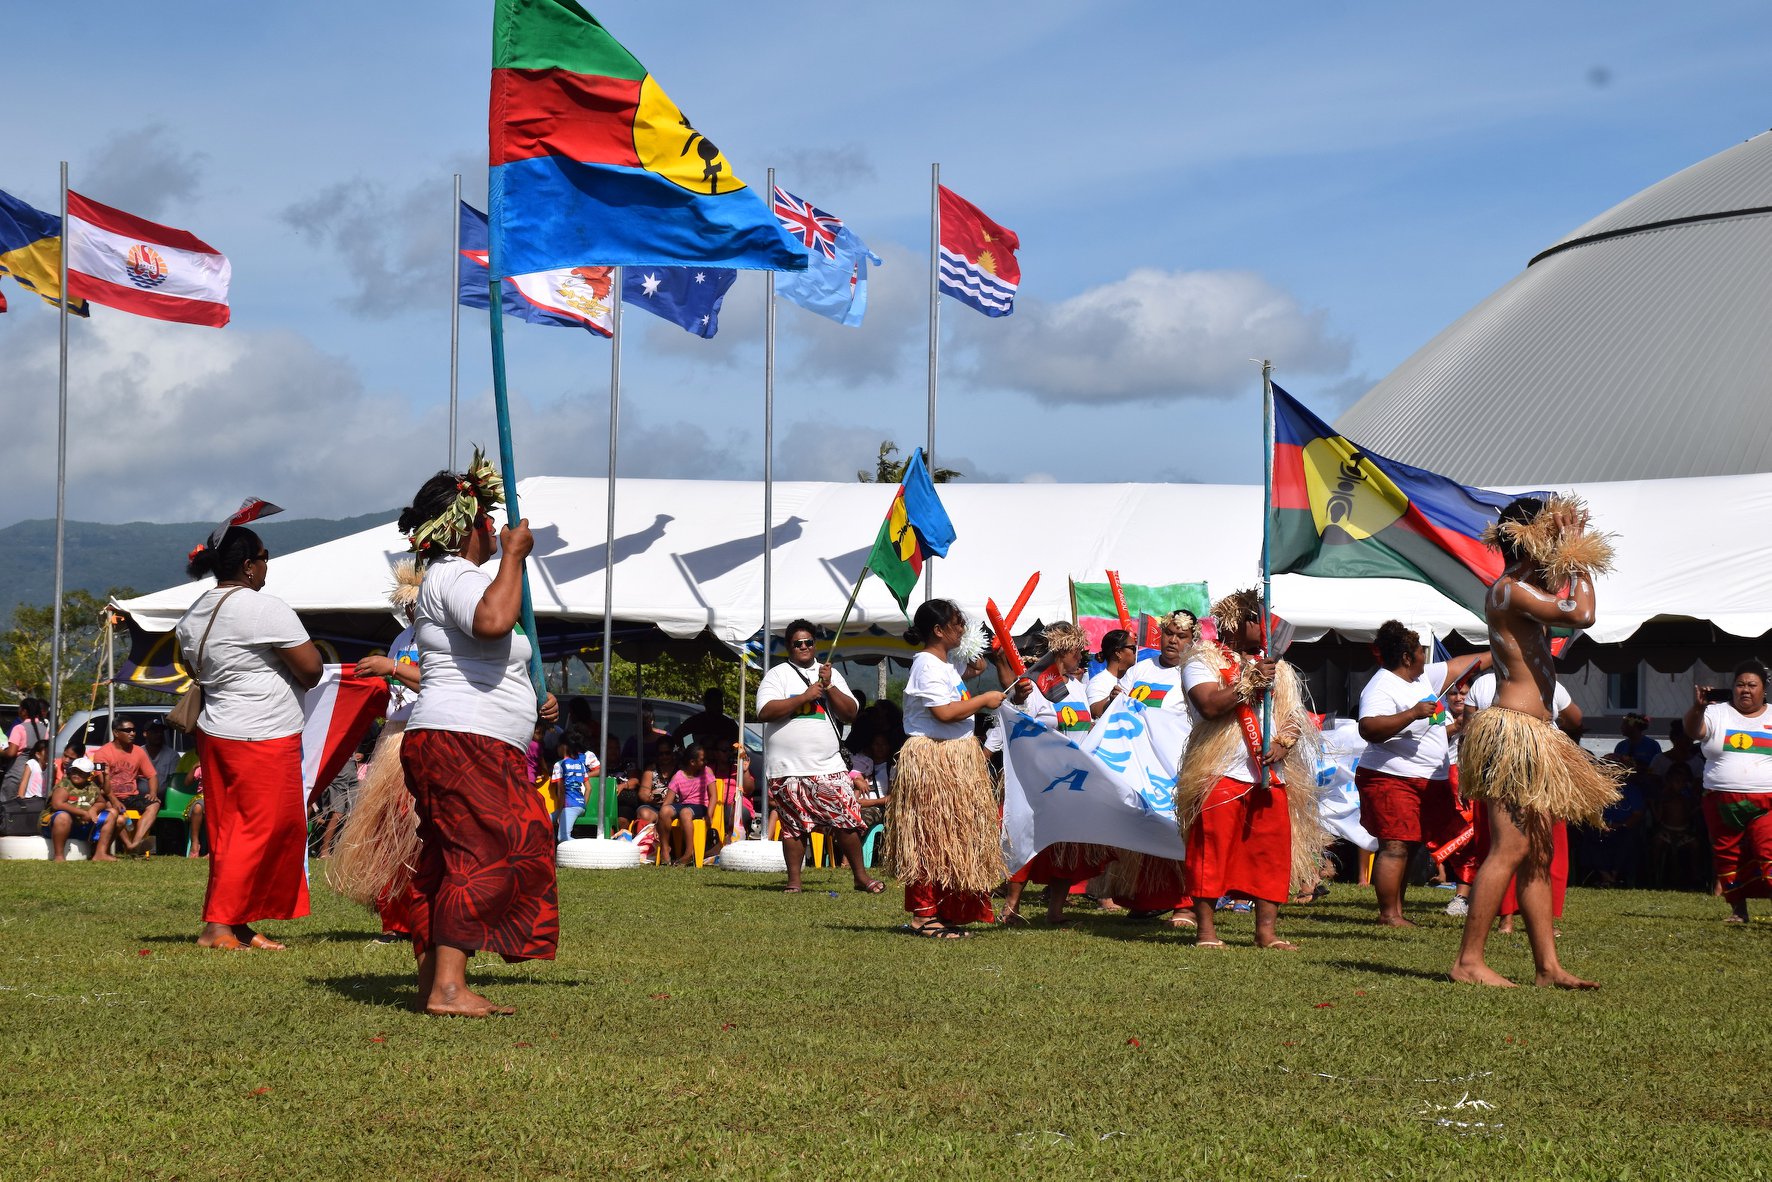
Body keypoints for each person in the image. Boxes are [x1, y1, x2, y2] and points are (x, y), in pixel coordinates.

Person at [398, 453, 561, 1016]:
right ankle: (448, 987)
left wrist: (529, 699)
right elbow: (492, 624)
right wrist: (513, 558)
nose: (496, 528)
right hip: (464, 740)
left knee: (452, 857)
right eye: (488, 519)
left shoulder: (451, 578)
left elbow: (485, 653)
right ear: (465, 526)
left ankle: (435, 980)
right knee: (498, 850)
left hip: (462, 736)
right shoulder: (457, 574)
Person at [1451, 496, 1623, 988]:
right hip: (1512, 732)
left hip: (1534, 734)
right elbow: (1582, 612)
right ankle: (1468, 961)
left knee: (1539, 852)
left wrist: (1564, 544)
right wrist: (1575, 549)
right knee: (1510, 847)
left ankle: (1547, 967)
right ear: (1529, 536)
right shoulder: (1507, 591)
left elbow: (1554, 584)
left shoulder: (1526, 585)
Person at [176, 523, 324, 950]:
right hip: (262, 734)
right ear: (247, 566)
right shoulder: (265, 608)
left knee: (230, 831)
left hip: (216, 731)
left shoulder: (196, 610)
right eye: (264, 557)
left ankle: (238, 921)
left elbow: (192, 669)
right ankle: (218, 925)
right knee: (263, 830)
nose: (266, 565)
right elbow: (312, 669)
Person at [1177, 589, 1323, 949]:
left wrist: (1283, 743)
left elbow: (1292, 717)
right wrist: (1251, 681)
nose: (1267, 625)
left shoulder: (1279, 668)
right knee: (1210, 850)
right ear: (1235, 623)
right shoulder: (1202, 660)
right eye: (1257, 618)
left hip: (1270, 774)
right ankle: (1207, 932)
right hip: (1219, 769)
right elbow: (1210, 705)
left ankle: (1266, 932)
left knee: (1269, 853)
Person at [885, 599, 1009, 938]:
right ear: (938, 631)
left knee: (953, 838)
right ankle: (924, 916)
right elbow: (943, 712)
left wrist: (974, 663)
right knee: (930, 838)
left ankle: (945, 909)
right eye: (957, 624)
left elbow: (965, 676)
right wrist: (984, 701)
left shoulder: (942, 663)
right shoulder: (926, 663)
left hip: (955, 757)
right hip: (933, 758)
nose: (962, 629)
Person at [1353, 620, 1489, 926]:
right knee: (1395, 845)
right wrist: (1412, 713)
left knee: (1410, 844)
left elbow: (1459, 665)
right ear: (1405, 657)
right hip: (1391, 777)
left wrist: (1502, 649)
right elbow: (1369, 728)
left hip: (1425, 780)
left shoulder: (1421, 678)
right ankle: (1389, 915)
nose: (1423, 657)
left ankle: (1397, 910)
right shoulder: (1381, 686)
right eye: (1419, 652)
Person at [329, 561, 425, 942]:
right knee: (389, 831)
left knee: (418, 832)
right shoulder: (402, 640)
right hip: (393, 740)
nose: (410, 611)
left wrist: (392, 669)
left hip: (423, 736)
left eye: (415, 604)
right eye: (406, 606)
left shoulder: (445, 639)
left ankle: (423, 917)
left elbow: (441, 684)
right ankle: (395, 919)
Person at [755, 619, 881, 894]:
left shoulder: (829, 674)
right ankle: (794, 882)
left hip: (827, 765)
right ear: (789, 646)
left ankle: (860, 877)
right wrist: (806, 696)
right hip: (786, 767)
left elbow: (851, 713)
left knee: (845, 818)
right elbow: (764, 711)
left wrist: (829, 686)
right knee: (793, 826)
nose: (803, 647)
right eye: (797, 643)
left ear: (815, 645)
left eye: (808, 642)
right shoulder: (777, 675)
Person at [1000, 622, 1114, 926]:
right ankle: (1011, 907)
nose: (1082, 656)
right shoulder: (1034, 684)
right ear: (1063, 650)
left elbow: (1084, 727)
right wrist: (1020, 699)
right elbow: (1018, 720)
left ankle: (1055, 910)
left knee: (1068, 847)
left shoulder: (1077, 688)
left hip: (1075, 780)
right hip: (1041, 780)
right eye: (1078, 651)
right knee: (1029, 840)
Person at [1683, 660, 1772, 923]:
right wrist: (1698, 709)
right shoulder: (1716, 712)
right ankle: (1738, 909)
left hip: (1767, 800)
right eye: (1740, 685)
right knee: (1727, 853)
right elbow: (1692, 731)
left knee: (1767, 850)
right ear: (1732, 688)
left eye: (1752, 685)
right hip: (1721, 800)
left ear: (1763, 689)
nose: (1745, 690)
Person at [39, 756, 122, 861]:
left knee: (113, 814)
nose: (76, 774)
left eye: (81, 772)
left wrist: (93, 810)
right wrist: (82, 813)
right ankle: (59, 856)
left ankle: (100, 853)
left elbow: (102, 802)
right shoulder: (65, 784)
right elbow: (57, 804)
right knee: (63, 817)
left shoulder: (91, 786)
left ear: (88, 775)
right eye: (74, 770)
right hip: (55, 825)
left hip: (82, 824)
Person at [658, 743, 717, 865]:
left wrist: (709, 815)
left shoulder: (707, 771)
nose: (705, 761)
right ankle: (665, 848)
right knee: (664, 811)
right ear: (692, 762)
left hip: (701, 806)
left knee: (685, 813)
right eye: (702, 759)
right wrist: (658, 822)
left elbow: (713, 796)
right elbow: (668, 801)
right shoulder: (678, 776)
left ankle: (689, 853)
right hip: (685, 804)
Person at [549, 726, 602, 842]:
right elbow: (589, 789)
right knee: (545, 819)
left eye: (558, 745)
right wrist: (583, 804)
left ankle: (586, 847)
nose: (557, 748)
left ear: (564, 746)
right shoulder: (581, 764)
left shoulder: (559, 765)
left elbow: (561, 791)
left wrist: (560, 811)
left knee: (563, 837)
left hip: (568, 806)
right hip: (580, 806)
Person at [1087, 628, 1138, 718]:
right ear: (1118, 653)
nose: (1136, 653)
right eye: (1133, 648)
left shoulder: (1135, 679)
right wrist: (1111, 701)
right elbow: (1094, 711)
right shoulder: (1098, 682)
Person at [674, 687, 739, 753]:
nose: (718, 706)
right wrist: (694, 744)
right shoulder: (694, 723)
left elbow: (737, 745)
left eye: (719, 703)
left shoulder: (729, 725)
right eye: (714, 703)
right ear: (706, 704)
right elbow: (681, 738)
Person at [3, 738, 49, 803]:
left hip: (43, 801)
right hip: (29, 800)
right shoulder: (32, 763)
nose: (48, 756)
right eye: (46, 753)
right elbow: (24, 782)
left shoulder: (50, 768)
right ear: (38, 754)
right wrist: (21, 797)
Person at [5, 697, 50, 761]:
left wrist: (2, 752)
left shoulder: (19, 728)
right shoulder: (44, 729)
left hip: (17, 769)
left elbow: (11, 753)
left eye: (20, 708)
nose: (18, 710)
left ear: (24, 711)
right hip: (36, 769)